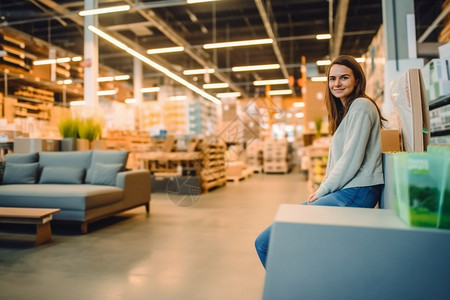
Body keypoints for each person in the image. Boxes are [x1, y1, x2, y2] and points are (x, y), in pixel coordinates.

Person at [255, 55, 386, 268]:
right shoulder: (348, 112)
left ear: (357, 81)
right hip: (350, 190)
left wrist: (323, 189)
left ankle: (288, 289)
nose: (337, 83)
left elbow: (351, 160)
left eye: (344, 78)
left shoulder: (361, 106)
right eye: (332, 79)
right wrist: (325, 188)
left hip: (357, 190)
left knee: (266, 242)